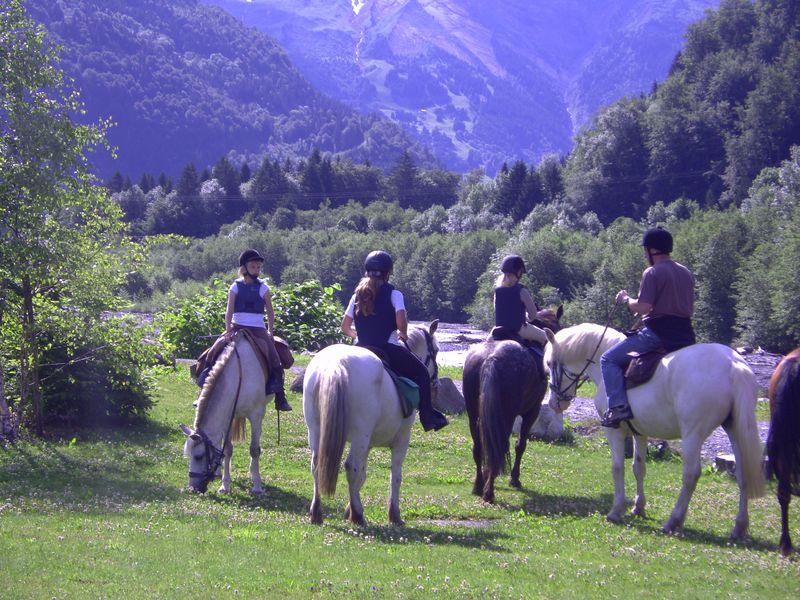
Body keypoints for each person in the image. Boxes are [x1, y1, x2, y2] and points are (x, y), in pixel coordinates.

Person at [341, 250, 448, 432]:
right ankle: (428, 417)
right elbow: (401, 322)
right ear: (388, 273)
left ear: (367, 271)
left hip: (360, 347)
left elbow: (345, 326)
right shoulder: (394, 294)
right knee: (422, 373)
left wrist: (358, 336)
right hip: (387, 347)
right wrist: (404, 334)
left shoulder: (356, 295)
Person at [599, 227, 696, 428]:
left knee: (607, 359)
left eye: (645, 250)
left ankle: (618, 407)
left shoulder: (652, 272)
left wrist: (626, 299)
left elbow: (643, 306)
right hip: (686, 335)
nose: (645, 255)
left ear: (652, 251)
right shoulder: (685, 272)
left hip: (657, 334)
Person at [225, 249, 292, 412]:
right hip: (237, 327)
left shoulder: (263, 288)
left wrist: (270, 331)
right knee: (214, 351)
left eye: (258, 267)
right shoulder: (235, 287)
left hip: (258, 329)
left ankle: (280, 396)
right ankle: (204, 386)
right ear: (244, 268)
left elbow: (270, 311)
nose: (256, 270)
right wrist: (227, 331)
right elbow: (229, 310)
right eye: (253, 266)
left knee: (274, 357)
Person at [493, 254, 548, 346]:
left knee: (486, 343)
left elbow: (498, 311)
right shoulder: (522, 291)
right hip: (519, 330)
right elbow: (533, 315)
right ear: (518, 273)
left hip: (498, 330)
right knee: (548, 339)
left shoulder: (497, 291)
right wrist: (526, 317)